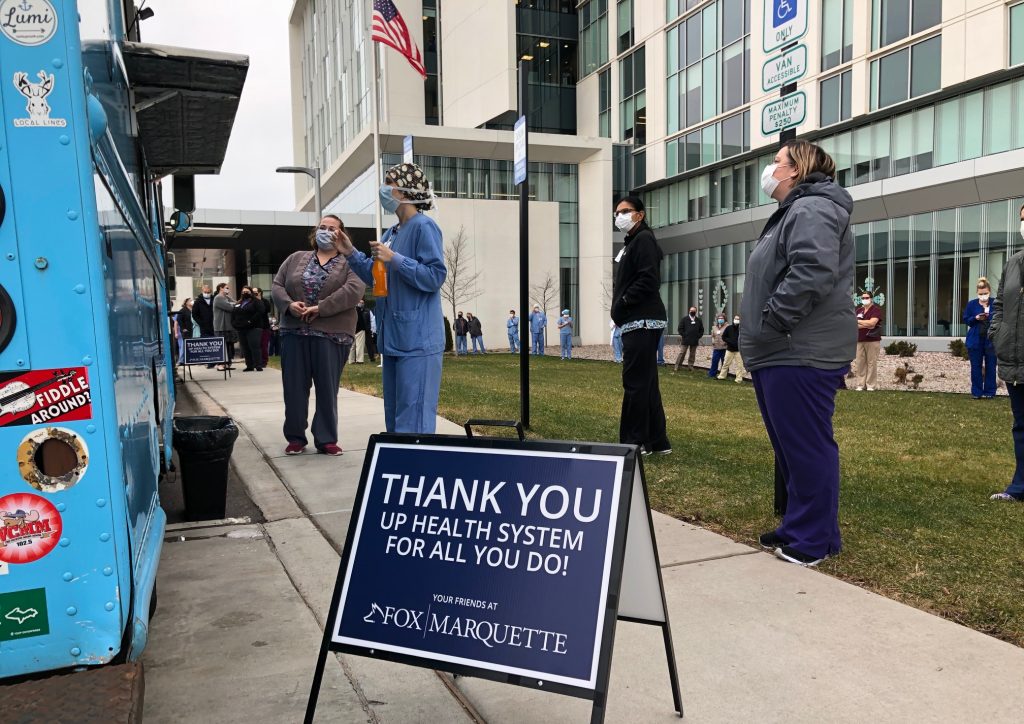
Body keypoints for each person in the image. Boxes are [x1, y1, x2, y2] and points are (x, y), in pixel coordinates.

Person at [740, 140, 856, 567]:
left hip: (799, 349)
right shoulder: (793, 211)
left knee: (806, 446)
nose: (769, 169)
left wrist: (772, 320)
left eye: (776, 162)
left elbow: (812, 271)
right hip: (780, 349)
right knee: (791, 448)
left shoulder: (812, 208)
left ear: (795, 169)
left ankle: (812, 540)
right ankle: (802, 526)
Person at [337, 162, 447, 433]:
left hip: (418, 340)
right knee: (395, 416)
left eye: (390, 182)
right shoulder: (392, 233)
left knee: (414, 418)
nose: (384, 189)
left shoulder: (424, 226)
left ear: (406, 190)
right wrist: (350, 252)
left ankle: (414, 461)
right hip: (394, 337)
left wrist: (395, 258)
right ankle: (397, 458)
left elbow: (435, 276)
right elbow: (376, 277)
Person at [273, 214, 365, 455]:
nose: (326, 231)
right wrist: (289, 305)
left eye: (332, 228)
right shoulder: (295, 258)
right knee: (294, 388)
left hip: (332, 335)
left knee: (327, 389)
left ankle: (326, 439)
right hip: (294, 332)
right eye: (322, 227)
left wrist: (321, 308)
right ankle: (295, 437)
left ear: (342, 234)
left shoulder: (351, 263)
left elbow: (353, 290)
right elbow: (277, 285)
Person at [611, 195, 671, 456]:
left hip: (641, 321)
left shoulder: (643, 239)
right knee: (646, 381)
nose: (619, 216)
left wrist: (624, 302)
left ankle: (634, 441)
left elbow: (649, 279)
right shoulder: (634, 241)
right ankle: (657, 441)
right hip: (639, 321)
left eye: (625, 211)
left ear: (640, 214)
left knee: (635, 381)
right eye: (616, 213)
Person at [989, 208, 1024, 501]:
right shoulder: (1013, 263)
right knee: (1021, 426)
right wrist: (997, 332)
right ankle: (1019, 486)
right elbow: (1000, 303)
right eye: (1023, 219)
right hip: (1014, 360)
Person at [963, 277, 997, 399]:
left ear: (989, 292)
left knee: (991, 366)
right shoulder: (971, 304)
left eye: (985, 293)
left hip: (991, 340)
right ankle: (977, 392)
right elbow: (966, 319)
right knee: (976, 367)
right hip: (975, 340)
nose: (983, 296)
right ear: (977, 293)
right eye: (981, 294)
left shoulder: (995, 303)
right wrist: (976, 318)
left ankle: (989, 392)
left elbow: (1000, 318)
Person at [853, 291, 883, 390]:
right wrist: (866, 324)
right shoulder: (859, 310)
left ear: (871, 299)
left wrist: (859, 322)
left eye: (866, 298)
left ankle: (871, 385)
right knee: (860, 363)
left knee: (871, 363)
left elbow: (872, 323)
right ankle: (860, 385)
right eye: (863, 298)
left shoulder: (876, 310)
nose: (864, 299)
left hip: (872, 340)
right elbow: (853, 324)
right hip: (859, 340)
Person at [232, 286, 265, 372]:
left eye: (247, 292)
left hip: (254, 327)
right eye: (243, 292)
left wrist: (250, 321)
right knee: (245, 347)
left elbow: (260, 312)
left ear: (251, 292)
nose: (245, 293)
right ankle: (249, 365)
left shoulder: (256, 301)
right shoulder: (239, 302)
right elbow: (234, 313)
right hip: (241, 328)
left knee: (254, 346)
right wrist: (234, 323)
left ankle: (258, 365)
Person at [212, 282, 237, 370]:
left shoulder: (227, 298)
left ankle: (227, 364)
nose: (228, 289)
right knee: (222, 347)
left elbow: (236, 304)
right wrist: (234, 305)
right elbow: (231, 308)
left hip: (229, 326)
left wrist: (234, 304)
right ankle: (220, 364)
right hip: (221, 327)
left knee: (229, 346)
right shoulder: (218, 298)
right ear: (221, 288)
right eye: (226, 288)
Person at [192, 284, 216, 368]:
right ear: (202, 291)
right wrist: (201, 323)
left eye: (208, 292)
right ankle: (209, 362)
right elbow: (194, 314)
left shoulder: (214, 299)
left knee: (215, 344)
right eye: (205, 292)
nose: (207, 293)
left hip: (214, 326)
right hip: (204, 327)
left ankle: (215, 361)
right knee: (207, 345)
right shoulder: (198, 301)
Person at [674, 305, 704, 372]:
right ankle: (677, 366)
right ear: (689, 311)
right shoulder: (684, 319)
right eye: (691, 310)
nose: (692, 311)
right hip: (685, 339)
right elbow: (680, 329)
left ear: (696, 311)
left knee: (692, 354)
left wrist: (698, 336)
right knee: (682, 353)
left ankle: (690, 366)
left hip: (694, 340)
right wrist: (684, 335)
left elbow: (701, 330)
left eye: (694, 311)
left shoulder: (699, 320)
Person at [717, 315, 746, 382]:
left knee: (739, 365)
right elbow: (724, 337)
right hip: (729, 349)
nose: (736, 320)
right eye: (735, 319)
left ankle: (739, 378)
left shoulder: (742, 329)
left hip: (738, 350)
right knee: (725, 363)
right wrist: (729, 341)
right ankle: (722, 376)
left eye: (738, 319)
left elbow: (745, 338)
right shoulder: (729, 328)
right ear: (733, 319)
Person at [708, 314, 727, 378]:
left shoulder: (727, 327)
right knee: (714, 361)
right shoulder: (714, 327)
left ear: (724, 319)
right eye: (719, 318)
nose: (720, 320)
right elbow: (712, 336)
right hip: (716, 347)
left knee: (724, 362)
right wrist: (713, 341)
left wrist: (726, 342)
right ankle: (712, 374)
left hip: (724, 347)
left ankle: (723, 374)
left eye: (722, 318)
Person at [175, 298, 193, 364]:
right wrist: (183, 328)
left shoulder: (193, 309)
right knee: (184, 345)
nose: (192, 301)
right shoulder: (183, 310)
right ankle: (181, 360)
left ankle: (190, 359)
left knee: (191, 345)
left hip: (192, 329)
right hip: (186, 330)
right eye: (190, 301)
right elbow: (178, 320)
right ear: (186, 303)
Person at [350, 299, 368, 364]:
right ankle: (359, 360)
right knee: (359, 346)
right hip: (360, 330)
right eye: (361, 303)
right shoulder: (359, 310)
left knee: (352, 346)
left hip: (352, 330)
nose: (362, 304)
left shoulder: (350, 310)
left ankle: (351, 360)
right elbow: (360, 321)